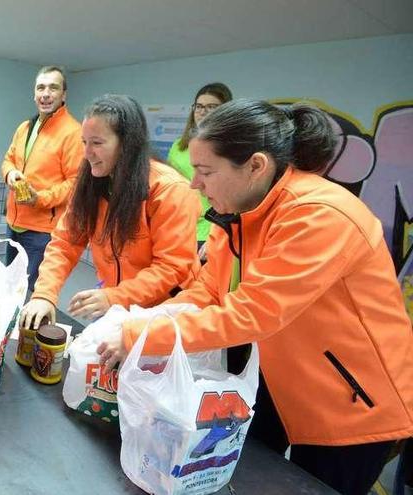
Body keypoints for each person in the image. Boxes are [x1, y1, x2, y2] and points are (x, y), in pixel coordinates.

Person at [98, 100, 413, 495]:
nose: (195, 184)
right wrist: (146, 322)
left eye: (205, 171)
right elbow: (207, 292)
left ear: (256, 166)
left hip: (350, 402)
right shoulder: (237, 214)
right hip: (277, 382)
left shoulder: (319, 215)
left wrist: (141, 337)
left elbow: (251, 314)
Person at [19, 94, 201, 329]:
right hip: (114, 301)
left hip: (164, 311)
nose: (87, 153)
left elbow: (172, 267)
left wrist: (114, 297)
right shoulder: (91, 182)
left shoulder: (168, 190)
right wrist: (44, 294)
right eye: (84, 142)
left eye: (97, 143)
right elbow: (65, 242)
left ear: (127, 144)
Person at [1, 66, 83, 292]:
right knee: (11, 288)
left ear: (63, 94)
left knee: (33, 293)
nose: (46, 93)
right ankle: (11, 327)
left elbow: (75, 183)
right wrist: (10, 174)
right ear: (34, 93)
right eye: (41, 88)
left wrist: (40, 199)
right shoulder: (25, 127)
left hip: (42, 232)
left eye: (53, 88)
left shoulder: (73, 133)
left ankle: (29, 328)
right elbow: (8, 159)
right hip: (13, 224)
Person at [167, 82, 233, 252]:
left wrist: (220, 234)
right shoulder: (178, 146)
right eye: (199, 106)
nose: (203, 111)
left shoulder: (230, 148)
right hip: (177, 226)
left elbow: (233, 196)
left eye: (211, 107)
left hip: (209, 229)